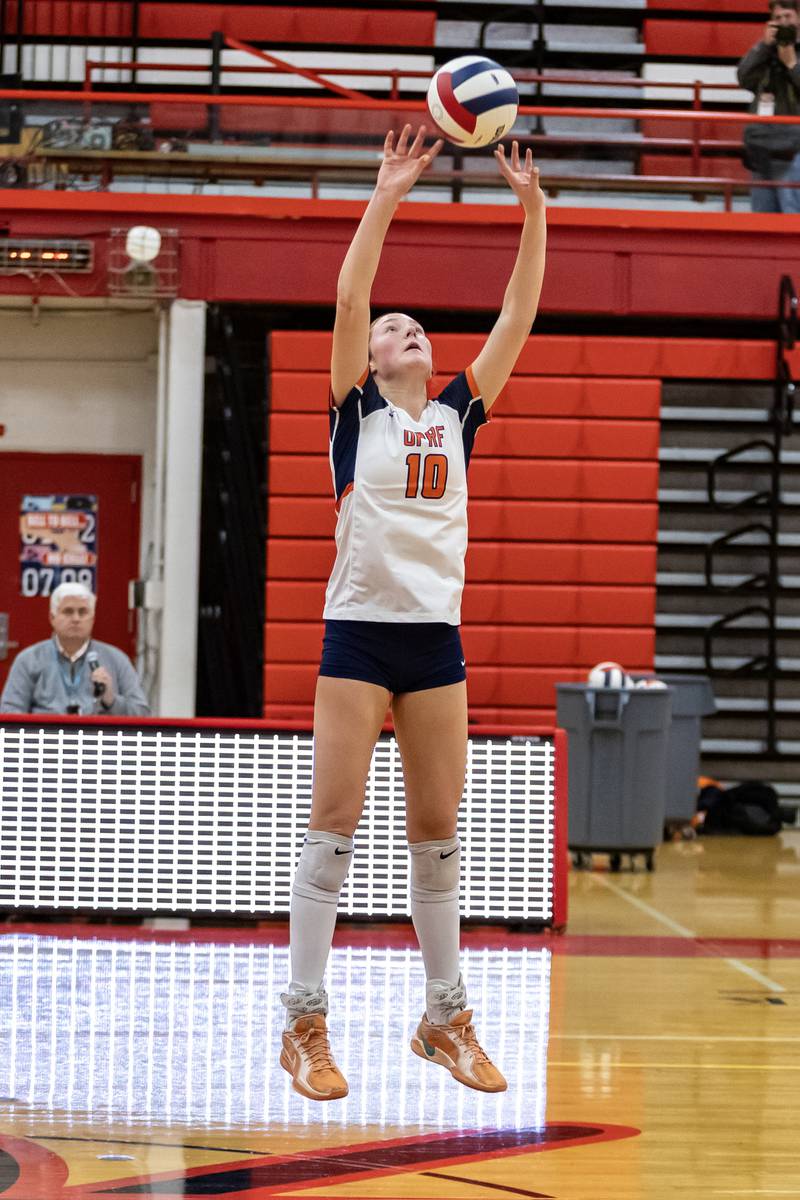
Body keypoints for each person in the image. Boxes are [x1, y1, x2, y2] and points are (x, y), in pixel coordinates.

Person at [278, 124, 547, 1102]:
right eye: (392, 330)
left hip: (433, 642)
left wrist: (532, 214)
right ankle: (303, 1019)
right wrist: (386, 194)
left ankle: (443, 1016)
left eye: (413, 328)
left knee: (437, 834)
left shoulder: (457, 416)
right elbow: (350, 296)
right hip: (356, 639)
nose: (403, 330)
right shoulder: (354, 415)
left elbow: (517, 313)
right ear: (372, 357)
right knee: (333, 829)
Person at [0, 581, 150, 716]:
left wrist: (111, 700)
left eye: (83, 612)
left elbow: (143, 714)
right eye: (68, 611)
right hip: (46, 741)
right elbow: (8, 712)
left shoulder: (116, 659)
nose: (76, 619)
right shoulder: (29, 659)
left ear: (92, 618)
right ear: (52, 618)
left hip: (97, 743)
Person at [738, 0, 800, 212]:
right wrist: (762, 47)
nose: (783, 23)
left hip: (795, 149)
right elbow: (744, 78)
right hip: (761, 147)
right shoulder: (765, 52)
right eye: (778, 18)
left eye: (788, 17)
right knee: (763, 218)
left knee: (792, 216)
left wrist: (793, 64)